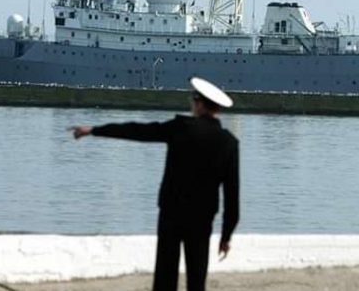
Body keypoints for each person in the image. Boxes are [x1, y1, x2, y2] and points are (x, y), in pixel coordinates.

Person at [69, 77, 239, 291]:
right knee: (197, 278)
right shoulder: (229, 143)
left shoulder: (180, 128)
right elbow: (232, 196)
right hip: (201, 218)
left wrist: (93, 130)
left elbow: (137, 131)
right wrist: (226, 236)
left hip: (171, 214)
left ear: (198, 103)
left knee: (165, 277)